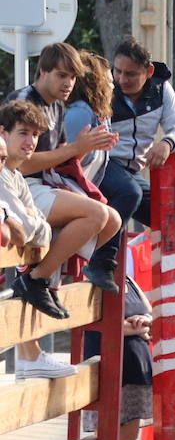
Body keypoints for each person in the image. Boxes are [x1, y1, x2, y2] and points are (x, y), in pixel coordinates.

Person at [5, 44, 123, 303]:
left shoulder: (57, 106)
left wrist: (85, 148)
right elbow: (22, 165)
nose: (69, 82)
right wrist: (77, 147)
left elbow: (57, 162)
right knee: (97, 214)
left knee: (113, 220)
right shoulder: (25, 100)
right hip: (13, 188)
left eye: (73, 77)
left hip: (37, 186)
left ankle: (42, 271)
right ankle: (36, 279)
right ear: (43, 72)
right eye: (62, 75)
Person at [0, 102, 76, 380]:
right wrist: (32, 226)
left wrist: (32, 226)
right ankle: (29, 356)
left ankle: (30, 356)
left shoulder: (16, 176)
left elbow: (34, 226)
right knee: (26, 277)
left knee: (28, 277)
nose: (31, 141)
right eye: (23, 133)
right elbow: (29, 228)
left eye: (35, 134)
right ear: (3, 134)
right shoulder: (3, 176)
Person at [81, 271, 155, 440]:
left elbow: (149, 313)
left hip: (137, 366)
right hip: (110, 367)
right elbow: (101, 325)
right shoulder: (93, 281)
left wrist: (141, 322)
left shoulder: (129, 281)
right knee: (108, 436)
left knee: (129, 436)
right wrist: (137, 327)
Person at [101, 37, 175, 232]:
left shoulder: (161, 89)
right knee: (128, 194)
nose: (122, 80)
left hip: (132, 171)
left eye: (130, 74)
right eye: (118, 71)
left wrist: (166, 144)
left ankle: (166, 262)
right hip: (104, 164)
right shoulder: (104, 88)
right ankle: (103, 261)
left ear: (149, 72)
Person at [63, 52, 114, 191]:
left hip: (78, 192)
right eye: (109, 82)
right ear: (95, 83)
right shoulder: (80, 113)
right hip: (66, 191)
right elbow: (65, 165)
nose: (113, 87)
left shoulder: (101, 115)